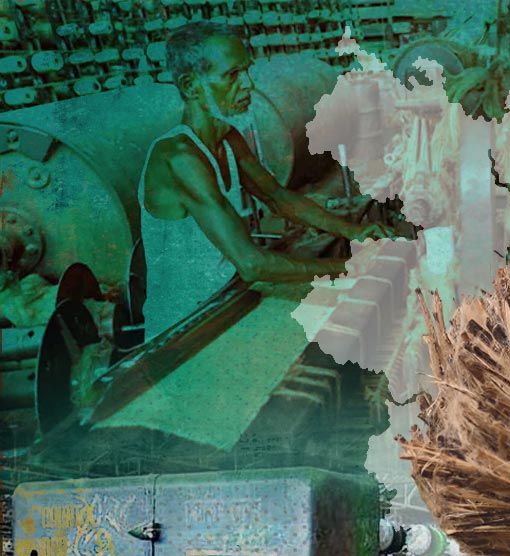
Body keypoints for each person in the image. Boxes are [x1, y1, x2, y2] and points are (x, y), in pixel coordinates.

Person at [139, 22, 389, 339]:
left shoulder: (227, 139)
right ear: (191, 85)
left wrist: (357, 231)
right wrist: (352, 267)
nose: (248, 85)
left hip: (225, 302)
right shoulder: (178, 157)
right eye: (232, 75)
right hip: (180, 331)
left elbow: (278, 198)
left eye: (246, 71)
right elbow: (252, 264)